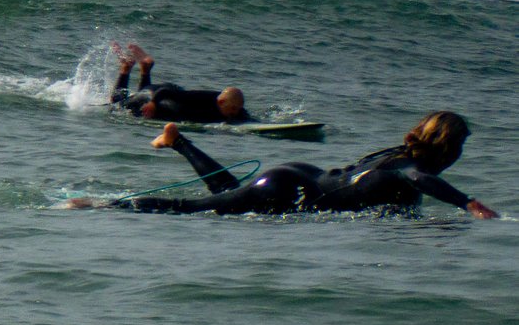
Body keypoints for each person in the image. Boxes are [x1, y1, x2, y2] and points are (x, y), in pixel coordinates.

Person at [71, 111, 498, 217]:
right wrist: (468, 204)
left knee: (222, 196)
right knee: (197, 211)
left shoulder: (396, 156)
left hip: (295, 177)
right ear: (449, 147)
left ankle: (178, 141)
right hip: (287, 189)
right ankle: (100, 208)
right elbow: (421, 179)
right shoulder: (408, 170)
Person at [108, 43, 249, 123]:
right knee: (116, 106)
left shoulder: (230, 106)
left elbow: (242, 114)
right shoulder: (204, 99)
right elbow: (167, 93)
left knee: (141, 96)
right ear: (221, 102)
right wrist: (153, 103)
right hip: (158, 94)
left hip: (168, 94)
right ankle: (126, 68)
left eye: (236, 109)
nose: (234, 113)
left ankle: (145, 69)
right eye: (232, 109)